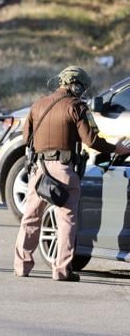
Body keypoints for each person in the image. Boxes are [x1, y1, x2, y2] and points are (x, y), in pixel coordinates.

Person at [14, 66, 130, 281]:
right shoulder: (76, 107)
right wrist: (117, 148)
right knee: (67, 220)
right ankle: (61, 270)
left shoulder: (37, 105)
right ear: (76, 86)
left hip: (39, 169)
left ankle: (21, 266)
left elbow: (26, 138)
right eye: (83, 88)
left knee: (30, 217)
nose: (83, 92)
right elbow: (91, 141)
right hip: (63, 170)